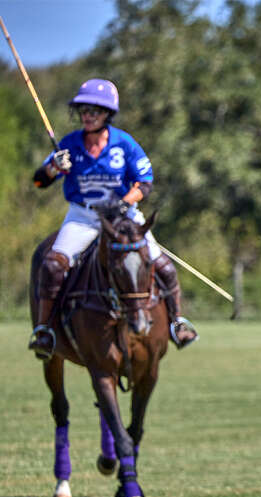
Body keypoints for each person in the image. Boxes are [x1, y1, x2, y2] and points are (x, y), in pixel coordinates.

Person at [29, 78, 197, 359]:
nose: (87, 116)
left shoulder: (125, 144)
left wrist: (125, 201)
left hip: (123, 218)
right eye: (83, 110)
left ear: (107, 114)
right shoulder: (69, 145)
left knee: (164, 266)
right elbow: (38, 183)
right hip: (83, 217)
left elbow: (144, 183)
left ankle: (177, 322)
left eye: (94, 111)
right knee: (51, 266)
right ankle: (45, 330)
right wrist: (53, 169)